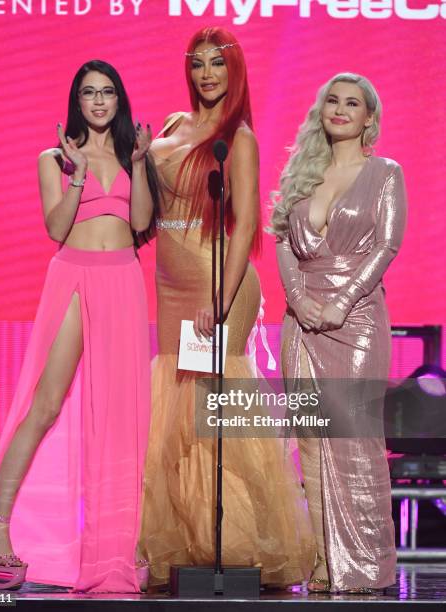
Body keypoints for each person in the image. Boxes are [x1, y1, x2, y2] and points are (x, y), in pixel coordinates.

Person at [0, 59, 158, 593]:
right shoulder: (54, 157)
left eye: (108, 92)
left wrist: (139, 164)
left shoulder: (134, 154)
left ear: (119, 100)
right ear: (77, 100)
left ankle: (113, 549)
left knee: (119, 416)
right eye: (89, 93)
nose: (98, 101)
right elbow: (55, 227)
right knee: (46, 404)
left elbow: (140, 225)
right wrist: (74, 177)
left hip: (123, 281)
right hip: (73, 276)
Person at [138, 27, 315, 589]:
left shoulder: (238, 138)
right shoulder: (170, 126)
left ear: (234, 72)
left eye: (218, 63)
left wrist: (222, 294)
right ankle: (187, 545)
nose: (207, 73)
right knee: (177, 415)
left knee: (211, 413)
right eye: (198, 63)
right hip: (170, 289)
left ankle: (230, 545)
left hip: (220, 288)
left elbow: (245, 228)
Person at [269, 72, 407, 593]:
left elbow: (386, 246)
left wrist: (341, 303)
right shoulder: (303, 171)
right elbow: (283, 237)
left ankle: (366, 566)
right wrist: (299, 301)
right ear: (321, 110)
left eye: (353, 103)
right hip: (300, 320)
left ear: (369, 117)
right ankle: (327, 563)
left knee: (353, 438)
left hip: (358, 320)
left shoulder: (385, 172)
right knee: (310, 440)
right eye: (333, 100)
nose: (341, 109)